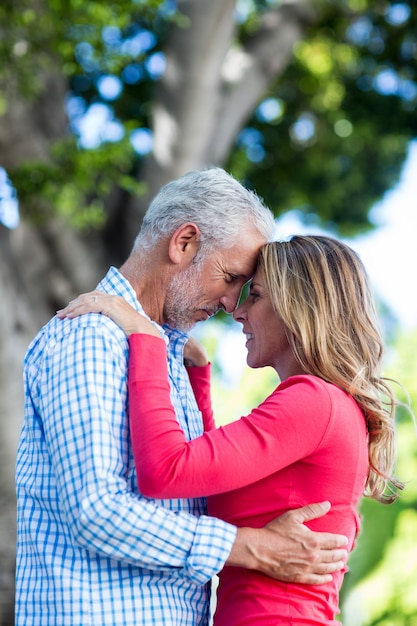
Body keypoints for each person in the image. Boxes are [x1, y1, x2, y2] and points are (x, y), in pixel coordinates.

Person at [16, 168, 348, 626]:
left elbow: (196, 481)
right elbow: (96, 510)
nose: (233, 304)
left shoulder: (164, 355)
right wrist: (253, 548)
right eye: (231, 277)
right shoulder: (93, 336)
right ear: (184, 242)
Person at [59, 234, 406, 625]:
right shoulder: (327, 406)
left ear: (298, 306)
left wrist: (147, 340)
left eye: (254, 295)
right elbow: (210, 478)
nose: (238, 313)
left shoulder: (314, 402)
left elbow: (165, 471)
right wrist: (198, 383)